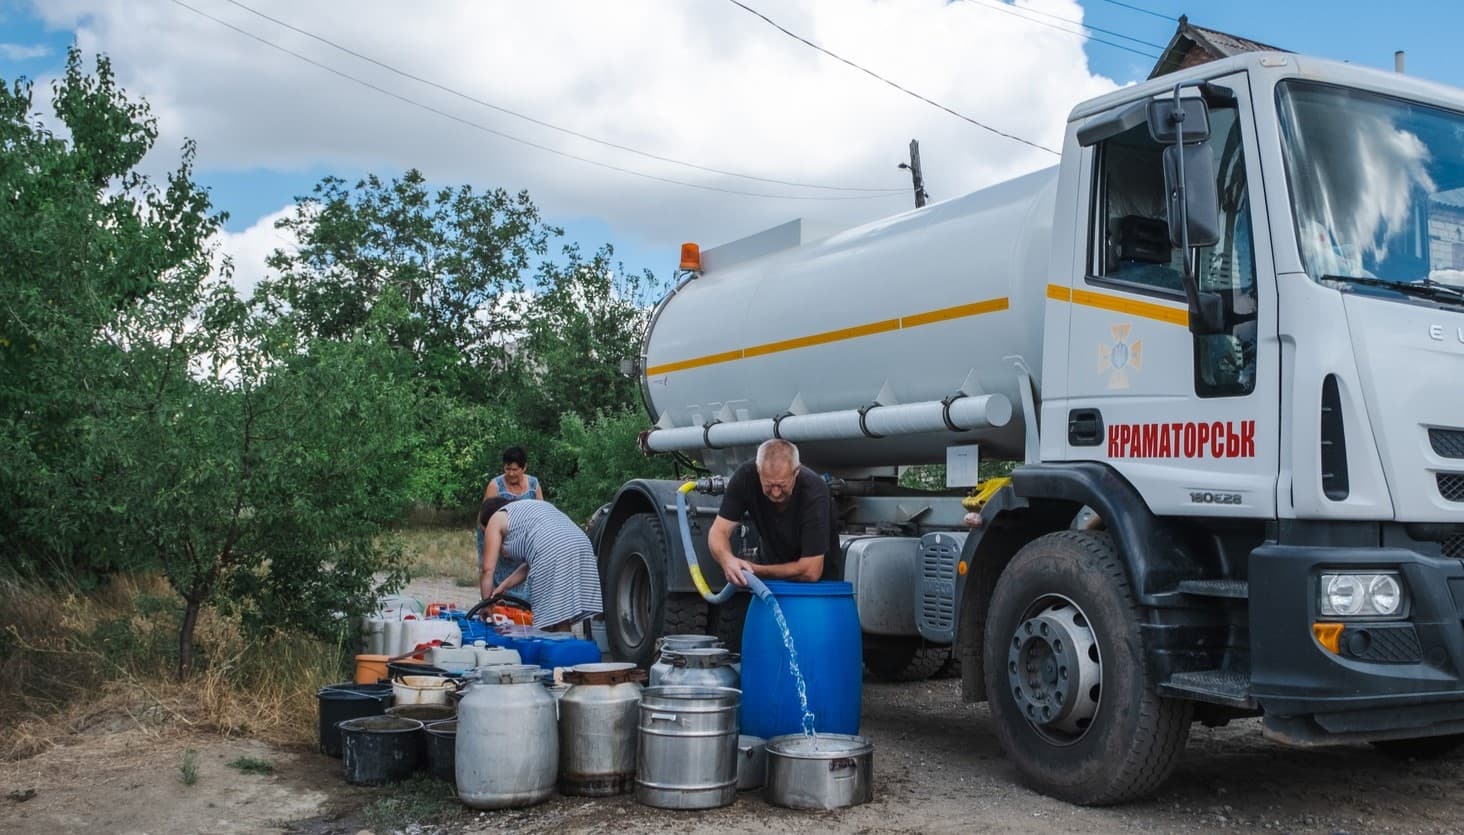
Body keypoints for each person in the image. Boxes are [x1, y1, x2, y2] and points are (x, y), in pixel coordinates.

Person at [708, 438, 839, 587]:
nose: (776, 493)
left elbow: (810, 571)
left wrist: (753, 570)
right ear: (758, 470)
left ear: (796, 472)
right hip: (770, 583)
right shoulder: (745, 477)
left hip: (818, 590)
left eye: (782, 485)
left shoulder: (814, 491)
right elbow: (718, 531)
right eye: (769, 485)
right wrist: (727, 560)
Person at [477, 496, 602, 632]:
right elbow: (535, 560)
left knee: (544, 623)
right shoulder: (526, 509)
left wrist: (486, 604)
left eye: (484, 531)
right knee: (561, 614)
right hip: (581, 545)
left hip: (552, 549)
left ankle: (548, 651)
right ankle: (565, 649)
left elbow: (487, 570)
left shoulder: (496, 519)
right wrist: (505, 585)